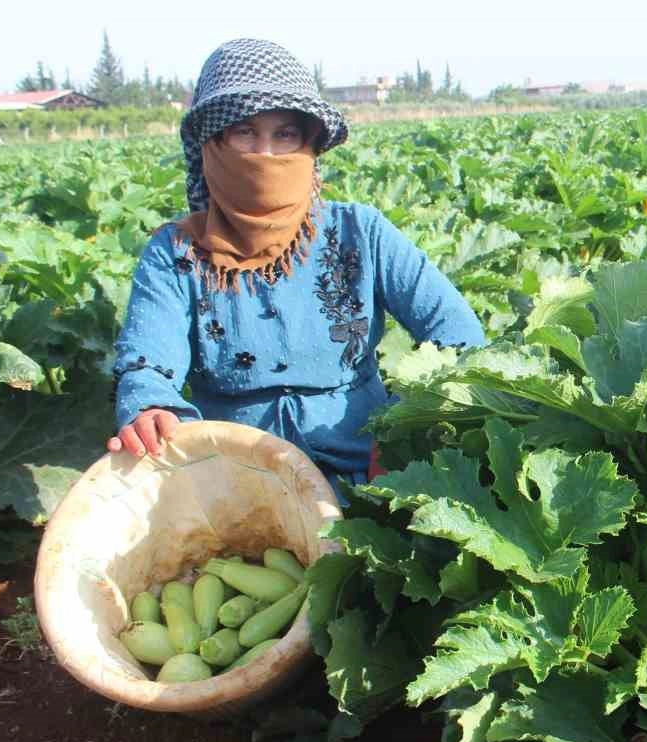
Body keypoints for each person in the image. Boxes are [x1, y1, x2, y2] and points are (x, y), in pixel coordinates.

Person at [107, 39, 485, 489]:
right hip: (233, 479)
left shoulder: (360, 233)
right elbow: (148, 364)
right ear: (213, 143)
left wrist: (403, 426)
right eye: (245, 132)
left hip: (365, 470)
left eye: (284, 135)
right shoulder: (177, 253)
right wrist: (151, 407)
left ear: (308, 145)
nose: (265, 155)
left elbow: (457, 334)